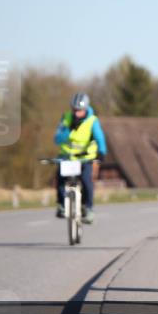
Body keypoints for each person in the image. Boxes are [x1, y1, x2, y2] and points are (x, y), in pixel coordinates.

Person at [53, 92, 107, 224]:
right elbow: (57, 139)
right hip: (67, 157)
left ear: (86, 109)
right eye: (74, 110)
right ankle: (61, 205)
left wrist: (101, 152)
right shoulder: (66, 118)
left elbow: (100, 138)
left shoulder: (92, 120)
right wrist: (68, 130)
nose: (77, 113)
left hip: (85, 158)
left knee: (86, 181)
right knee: (60, 179)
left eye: (80, 110)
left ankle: (88, 208)